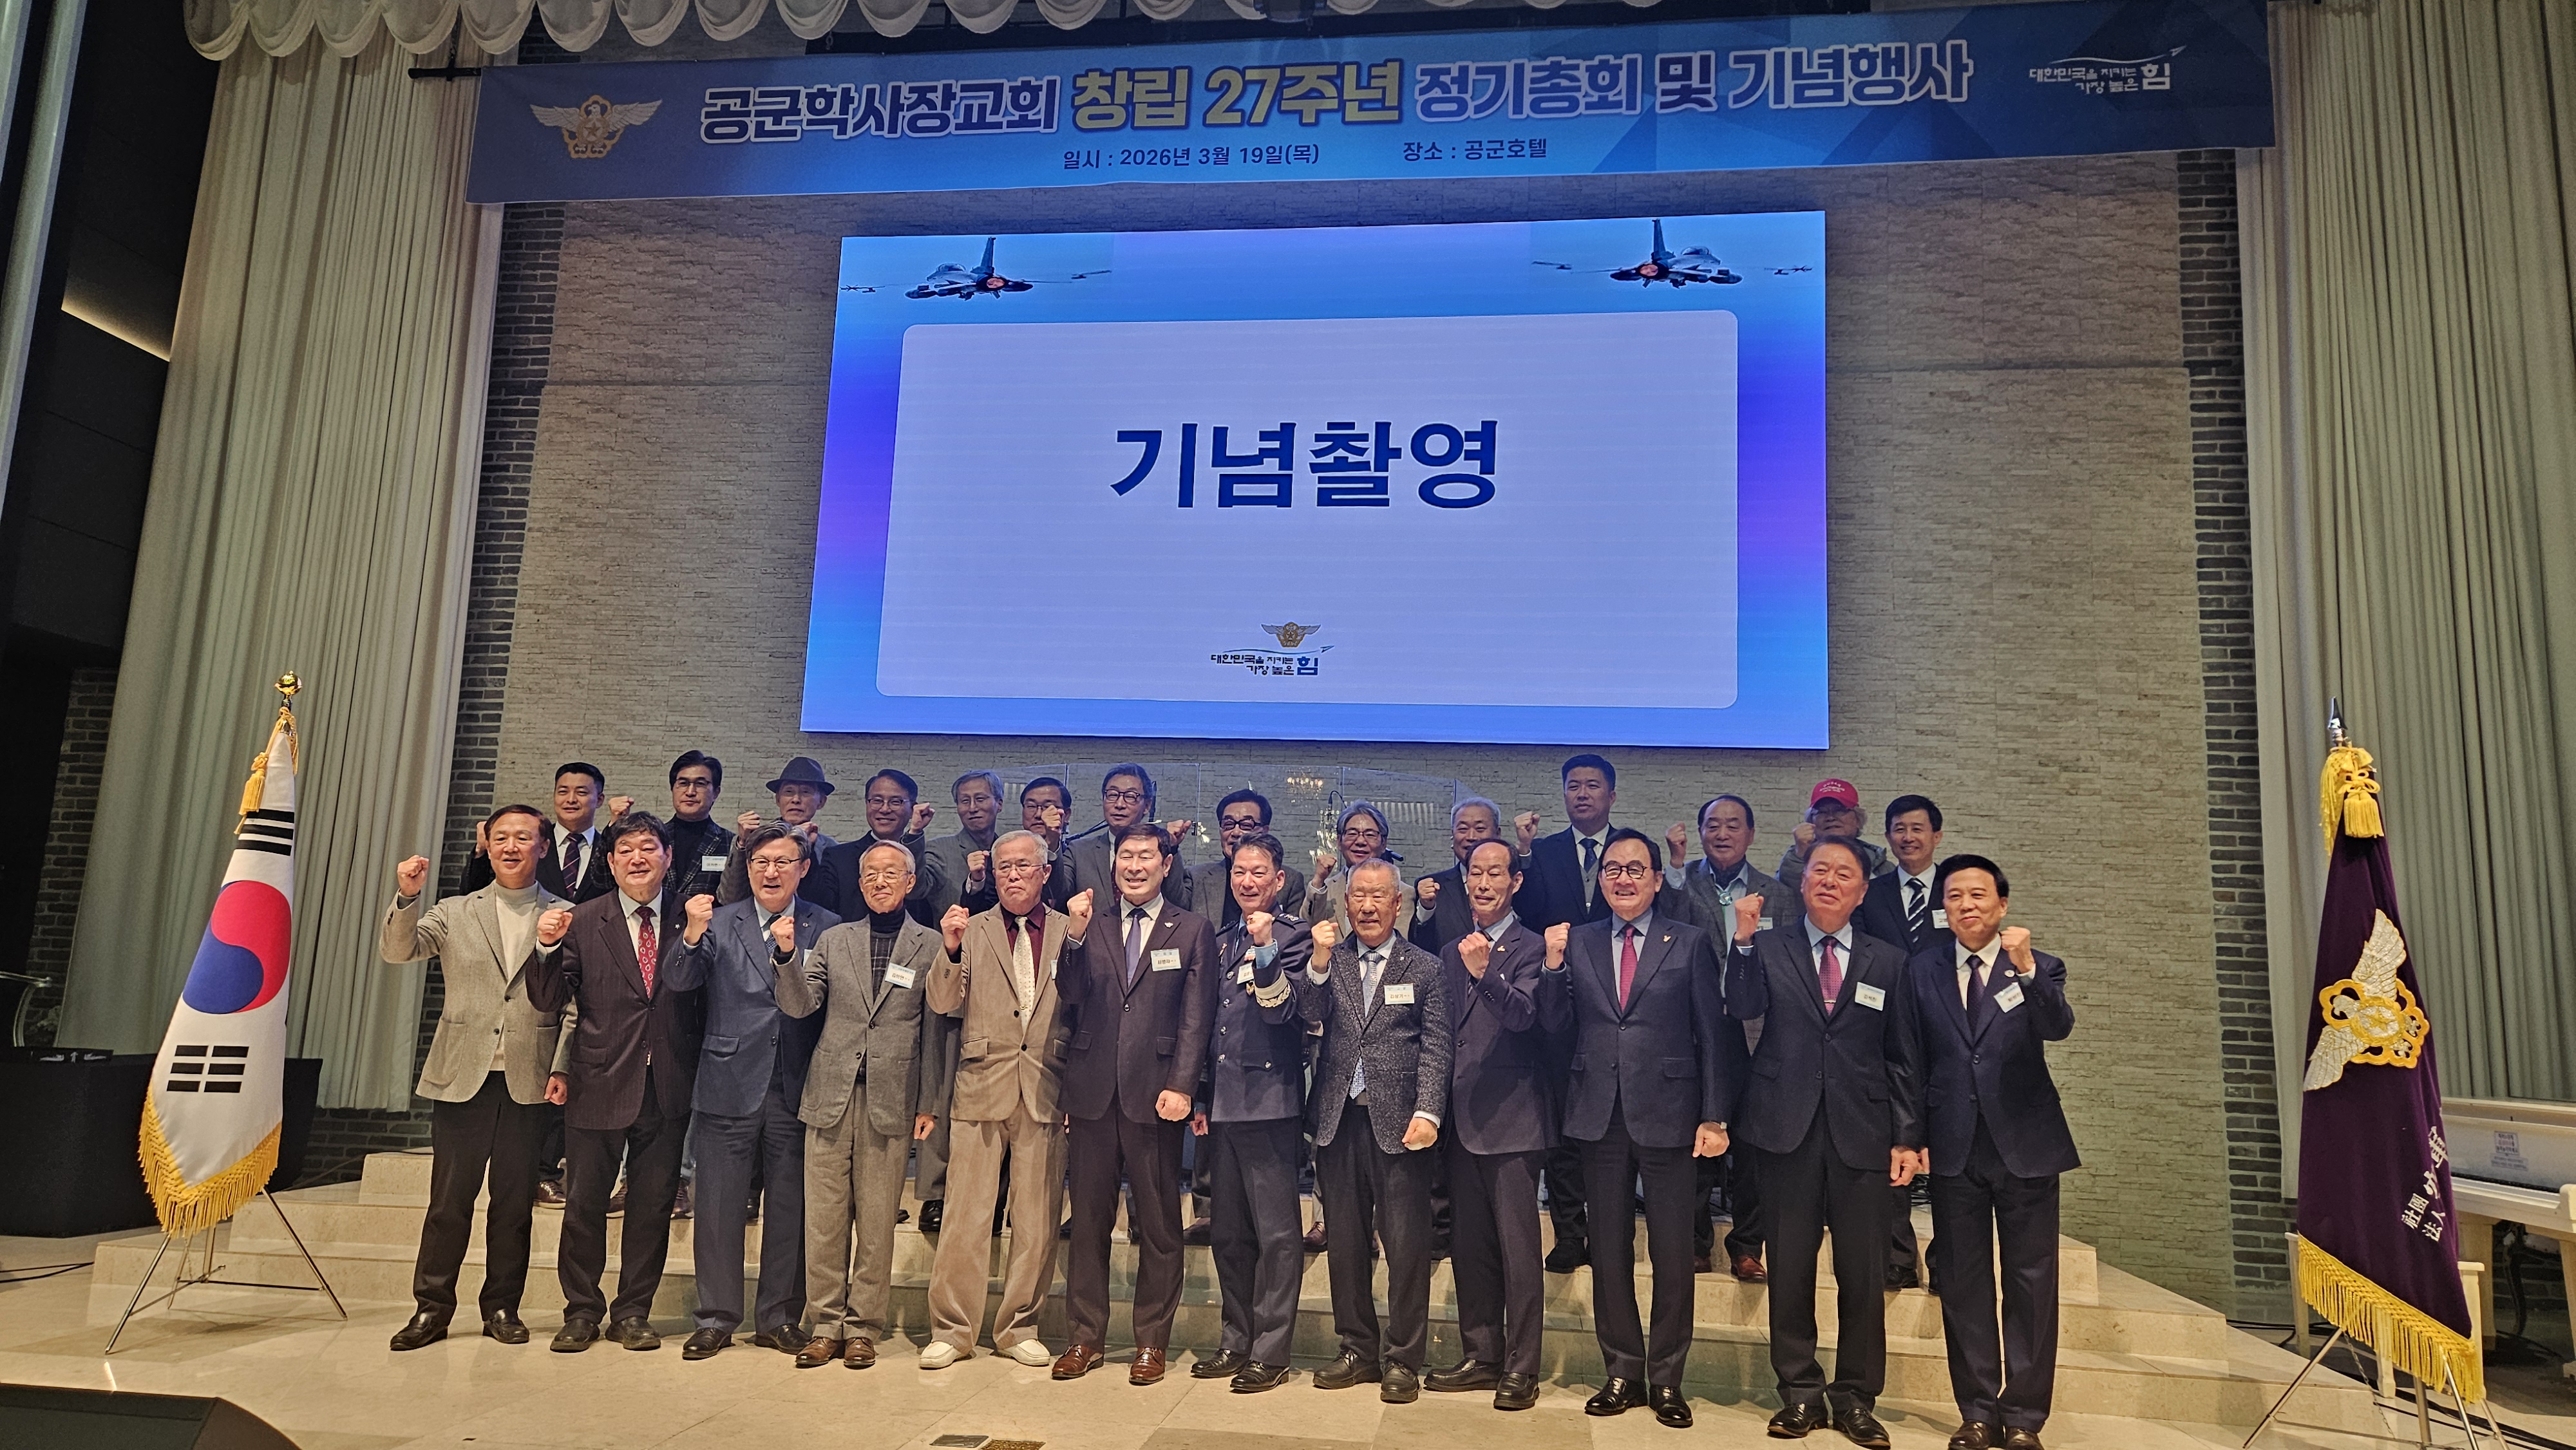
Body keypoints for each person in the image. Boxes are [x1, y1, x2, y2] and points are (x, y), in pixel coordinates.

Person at [1725, 836, 1926, 1449]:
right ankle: (1800, 1394)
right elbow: (1741, 1005)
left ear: (1862, 892)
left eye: (1844, 874)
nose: (1830, 881)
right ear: (1803, 880)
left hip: (1863, 1134)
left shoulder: (1889, 961)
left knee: (1863, 1275)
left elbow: (1903, 1058)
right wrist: (1742, 940)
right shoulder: (1770, 945)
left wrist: (1907, 1136)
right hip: (1784, 1130)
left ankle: (1857, 1399)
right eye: (1820, 870)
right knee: (1790, 1270)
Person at [1548, 830, 1731, 1429]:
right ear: (1600, 879)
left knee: (1674, 1253)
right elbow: (1556, 1024)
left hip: (1672, 1113)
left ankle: (1668, 1378)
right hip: (1599, 1113)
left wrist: (1714, 1114)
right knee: (1608, 1250)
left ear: (1656, 879)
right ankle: (1622, 1371)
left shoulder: (1690, 941)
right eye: (1612, 869)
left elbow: (1712, 1034)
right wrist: (1552, 968)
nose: (1623, 879)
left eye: (1635, 869)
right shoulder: (1579, 941)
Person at [380, 805, 570, 1351]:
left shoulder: (568, 914)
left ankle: (502, 1307)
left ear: (542, 847)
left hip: (529, 1078)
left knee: (513, 1206)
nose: (511, 846)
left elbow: (575, 1003)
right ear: (487, 845)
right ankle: (431, 1307)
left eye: (524, 838)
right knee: (448, 1203)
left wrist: (562, 1065)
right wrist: (407, 897)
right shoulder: (454, 910)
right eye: (501, 837)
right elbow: (399, 950)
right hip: (462, 1075)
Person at [1908, 856, 2075, 1450]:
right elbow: (1911, 1058)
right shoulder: (1921, 970)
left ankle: (2025, 1417)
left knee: (2032, 1283)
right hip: (1954, 1147)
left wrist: (2026, 968)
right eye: (1955, 896)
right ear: (1943, 908)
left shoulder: (2039, 965)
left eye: (1978, 895)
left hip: (2026, 1146)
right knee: (1963, 1282)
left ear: (2002, 905)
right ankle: (1977, 1411)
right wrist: (1911, 1135)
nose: (1966, 905)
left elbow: (2057, 1027)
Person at [524, 813, 702, 1353]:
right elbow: (548, 999)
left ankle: (633, 1313)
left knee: (651, 1207)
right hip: (597, 1079)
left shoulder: (693, 917)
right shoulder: (582, 918)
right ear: (610, 860)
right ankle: (581, 1310)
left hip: (668, 1083)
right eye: (626, 849)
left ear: (668, 857)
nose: (637, 858)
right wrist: (546, 948)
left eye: (649, 847)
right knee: (584, 1204)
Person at [659, 824, 835, 1359]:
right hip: (728, 1079)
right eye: (761, 862)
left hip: (795, 1085)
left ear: (803, 869)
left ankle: (779, 1317)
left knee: (789, 1209)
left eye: (783, 862)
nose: (771, 872)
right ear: (749, 867)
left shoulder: (826, 925)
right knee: (717, 1206)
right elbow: (679, 980)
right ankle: (715, 1317)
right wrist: (691, 935)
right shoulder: (718, 919)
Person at [1050, 823, 1213, 1385]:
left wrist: (1184, 1084)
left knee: (1160, 1226)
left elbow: (1197, 1017)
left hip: (1156, 1095)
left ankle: (1151, 1343)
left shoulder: (1191, 929)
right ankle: (1084, 1339)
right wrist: (1072, 936)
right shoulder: (1089, 925)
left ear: (1166, 864)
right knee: (1088, 1224)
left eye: (1146, 856)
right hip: (1092, 1093)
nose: (1135, 866)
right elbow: (1070, 995)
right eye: (1126, 856)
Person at [774, 839, 943, 1369]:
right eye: (870, 874)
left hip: (891, 1099)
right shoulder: (834, 938)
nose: (879, 882)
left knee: (875, 1223)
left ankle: (864, 1327)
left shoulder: (931, 945)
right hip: (830, 1096)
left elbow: (935, 1031)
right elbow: (801, 1005)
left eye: (891, 873)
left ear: (910, 882)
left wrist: (928, 1102)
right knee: (824, 1221)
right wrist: (786, 957)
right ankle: (826, 1324)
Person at [1422, 838, 1565, 1411]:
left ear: (1516, 882)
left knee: (1518, 1252)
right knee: (1471, 1248)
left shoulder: (1533, 948)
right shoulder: (1452, 947)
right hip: (1461, 1121)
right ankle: (1481, 1356)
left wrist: (1485, 974)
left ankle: (1521, 1367)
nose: (1482, 883)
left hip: (1513, 1121)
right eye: (1475, 873)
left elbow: (1529, 1017)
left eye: (1495, 873)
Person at [1303, 858, 1450, 1404]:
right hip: (1338, 1121)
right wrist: (1318, 962)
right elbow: (1307, 1013)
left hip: (1401, 1125)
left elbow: (1437, 1046)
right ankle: (1357, 1350)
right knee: (1344, 1244)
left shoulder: (1426, 968)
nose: (1367, 906)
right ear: (1346, 905)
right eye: (1358, 897)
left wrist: (1428, 1112)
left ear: (1397, 904)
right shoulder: (1331, 959)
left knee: (1406, 1247)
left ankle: (1404, 1358)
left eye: (1377, 896)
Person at [924, 831, 1072, 1370]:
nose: (1012, 875)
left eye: (1023, 866)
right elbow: (942, 1001)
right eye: (1004, 866)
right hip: (981, 1082)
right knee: (965, 1216)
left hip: (1047, 1086)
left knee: (1036, 1219)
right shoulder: (971, 927)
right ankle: (953, 1330)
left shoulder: (1070, 931)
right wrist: (949, 949)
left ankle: (1019, 1327)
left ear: (1045, 873)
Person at [1188, 833, 1315, 1393]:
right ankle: (1235, 1340)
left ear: (1279, 880)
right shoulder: (1220, 941)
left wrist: (1264, 949)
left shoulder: (1293, 937)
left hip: (1269, 1103)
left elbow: (1283, 1010)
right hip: (1223, 1105)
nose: (1247, 881)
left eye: (1258, 872)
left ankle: (1271, 1351)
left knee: (1278, 1235)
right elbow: (1206, 1024)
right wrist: (1199, 1096)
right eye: (1239, 871)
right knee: (1229, 1234)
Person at [1663, 793, 1787, 1281]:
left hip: (1754, 1029)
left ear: (1751, 834)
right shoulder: (1680, 883)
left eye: (1734, 825)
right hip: (1695, 1028)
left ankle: (1747, 1245)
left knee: (1753, 1141)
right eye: (1713, 825)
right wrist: (1675, 868)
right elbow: (1666, 927)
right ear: (1701, 832)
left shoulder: (1777, 893)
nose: (1722, 833)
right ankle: (1695, 1242)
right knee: (1695, 1136)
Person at [1512, 753, 1620, 1272]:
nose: (1582, 793)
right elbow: (1528, 914)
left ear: (1611, 795)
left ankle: (1609, 1234)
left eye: (1592, 785)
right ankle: (1570, 1234)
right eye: (1573, 785)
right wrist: (1524, 854)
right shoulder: (1544, 852)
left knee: (1609, 1128)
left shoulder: (1628, 851)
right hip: (1555, 1002)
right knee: (1562, 1125)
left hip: (1616, 1005)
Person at [1856, 794, 1947, 1289]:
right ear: (1888, 836)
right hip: (1885, 1030)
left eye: (1917, 828)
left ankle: (1948, 1261)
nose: (1908, 837)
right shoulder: (1871, 893)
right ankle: (1897, 1256)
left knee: (1949, 1148)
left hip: (1948, 1031)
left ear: (1937, 835)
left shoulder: (1955, 889)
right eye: (1899, 829)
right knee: (1891, 1142)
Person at [911, 770, 1007, 1236]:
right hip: (950, 975)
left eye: (981, 799)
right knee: (941, 1087)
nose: (973, 807)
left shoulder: (1013, 850)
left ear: (999, 804)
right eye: (965, 800)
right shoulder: (939, 850)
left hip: (1006, 983)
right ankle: (935, 1192)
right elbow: (918, 890)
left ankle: (994, 1194)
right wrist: (915, 834)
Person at [465, 762, 625, 901]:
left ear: (599, 800)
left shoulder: (609, 850)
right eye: (563, 792)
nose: (571, 800)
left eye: (581, 792)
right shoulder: (531, 844)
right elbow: (473, 894)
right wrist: (481, 851)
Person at [810, 769, 942, 924]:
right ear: (867, 804)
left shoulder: (925, 858)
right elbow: (820, 909)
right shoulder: (838, 857)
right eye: (877, 801)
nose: (885, 809)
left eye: (895, 802)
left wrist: (915, 833)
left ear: (913, 808)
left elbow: (919, 896)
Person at [1066, 764, 1191, 906]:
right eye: (1113, 795)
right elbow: (1057, 896)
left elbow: (1179, 905)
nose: (1119, 804)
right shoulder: (1078, 852)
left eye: (1131, 796)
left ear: (1147, 806)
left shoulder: (1160, 851)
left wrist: (1171, 848)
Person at [1182, 788, 1308, 927]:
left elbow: (1295, 931)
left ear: (1265, 831)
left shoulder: (1291, 880)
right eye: (1228, 824)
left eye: (1246, 825)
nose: (1236, 832)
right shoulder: (1197, 876)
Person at [723, 757, 838, 906]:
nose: (796, 799)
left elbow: (829, 905)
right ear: (778, 799)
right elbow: (729, 898)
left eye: (806, 792)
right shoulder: (754, 839)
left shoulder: (830, 849)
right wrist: (743, 843)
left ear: (821, 802)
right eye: (789, 791)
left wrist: (806, 847)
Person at [1406, 798, 1503, 954]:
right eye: (1463, 829)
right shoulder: (1432, 887)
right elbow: (1419, 948)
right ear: (1453, 834)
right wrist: (1426, 908)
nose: (1471, 837)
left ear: (1497, 834)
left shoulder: (1510, 884)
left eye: (1480, 829)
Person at [1308, 800, 1413, 938]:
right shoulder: (1324, 889)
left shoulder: (1404, 892)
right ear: (1339, 841)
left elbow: (1400, 942)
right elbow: (1307, 930)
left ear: (1383, 844)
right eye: (1352, 834)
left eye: (1370, 835)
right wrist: (1318, 880)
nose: (1360, 841)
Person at [1776, 779, 1893, 895]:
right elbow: (1785, 895)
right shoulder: (1794, 860)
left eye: (1839, 811)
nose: (1830, 818)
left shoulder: (1881, 866)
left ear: (1858, 819)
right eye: (1822, 812)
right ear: (1811, 821)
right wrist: (1800, 855)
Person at [663, 751, 734, 904]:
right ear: (673, 788)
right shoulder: (654, 838)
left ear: (716, 793)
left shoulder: (731, 843)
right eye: (683, 783)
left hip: (711, 919)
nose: (690, 792)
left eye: (700, 784)